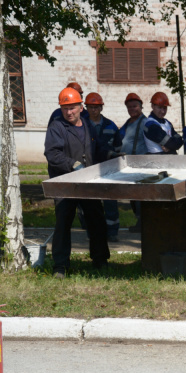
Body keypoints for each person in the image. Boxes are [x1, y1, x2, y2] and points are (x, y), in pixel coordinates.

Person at [44, 88, 110, 279]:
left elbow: (97, 149)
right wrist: (72, 164)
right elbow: (52, 154)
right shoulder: (57, 127)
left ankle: (100, 260)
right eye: (65, 109)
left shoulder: (89, 125)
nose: (69, 112)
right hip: (65, 184)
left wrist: (112, 156)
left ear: (81, 107)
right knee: (63, 223)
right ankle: (60, 266)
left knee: (96, 219)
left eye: (72, 108)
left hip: (87, 182)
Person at [84, 92, 122, 242]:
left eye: (96, 107)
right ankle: (92, 232)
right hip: (88, 168)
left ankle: (112, 232)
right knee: (90, 202)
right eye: (91, 107)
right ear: (86, 108)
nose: (93, 110)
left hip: (108, 168)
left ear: (101, 108)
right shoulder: (82, 124)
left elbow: (118, 147)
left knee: (110, 200)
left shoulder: (110, 126)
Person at [118, 93, 149, 233]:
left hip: (139, 164)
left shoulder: (145, 122)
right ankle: (139, 220)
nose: (132, 109)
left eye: (135, 106)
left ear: (141, 107)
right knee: (132, 195)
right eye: (129, 107)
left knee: (139, 195)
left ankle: (143, 221)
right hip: (128, 165)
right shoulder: (128, 122)